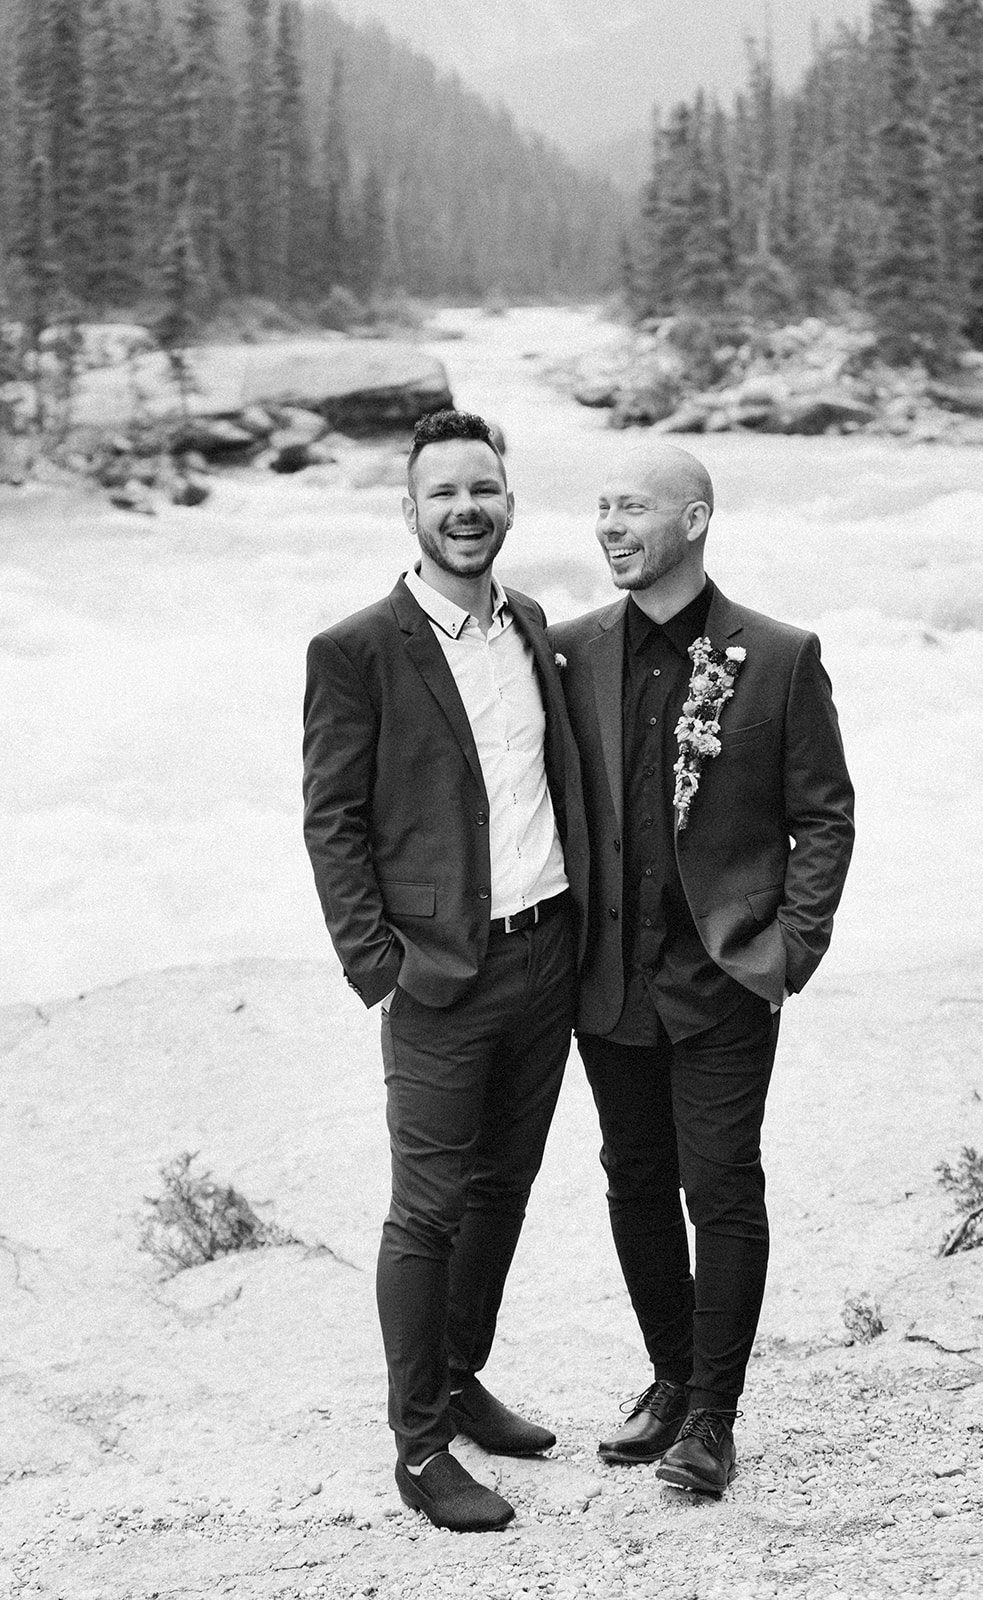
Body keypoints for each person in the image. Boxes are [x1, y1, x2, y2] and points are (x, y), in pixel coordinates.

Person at [549, 441, 854, 1496]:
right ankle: (670, 1381)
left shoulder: (776, 654)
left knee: (719, 1185)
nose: (608, 525)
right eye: (599, 507)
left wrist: (788, 950)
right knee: (631, 1176)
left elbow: (823, 814)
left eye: (630, 506)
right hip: (605, 978)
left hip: (724, 977)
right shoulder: (568, 650)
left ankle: (713, 1419)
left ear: (693, 519)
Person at [302, 408, 587, 1532]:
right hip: (436, 978)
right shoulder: (356, 649)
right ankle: (419, 1444)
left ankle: (461, 1376)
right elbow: (331, 820)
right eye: (443, 495)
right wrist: (380, 967)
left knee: (502, 1192)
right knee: (425, 1212)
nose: (466, 510)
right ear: (409, 512)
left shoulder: (530, 621)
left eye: (484, 489)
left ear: (508, 498)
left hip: (545, 956)